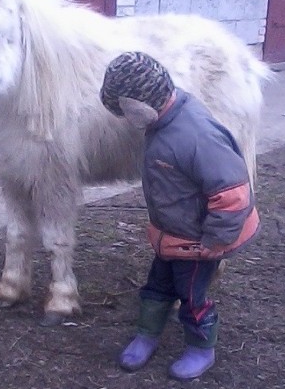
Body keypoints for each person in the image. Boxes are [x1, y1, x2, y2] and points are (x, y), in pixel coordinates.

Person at [99, 51, 260, 381]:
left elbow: (232, 194)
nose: (125, 119)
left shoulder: (196, 136)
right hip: (173, 235)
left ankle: (202, 347)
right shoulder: (165, 121)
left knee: (191, 296)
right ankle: (147, 334)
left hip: (198, 240)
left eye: (126, 110)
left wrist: (213, 242)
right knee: (156, 286)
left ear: (142, 103)